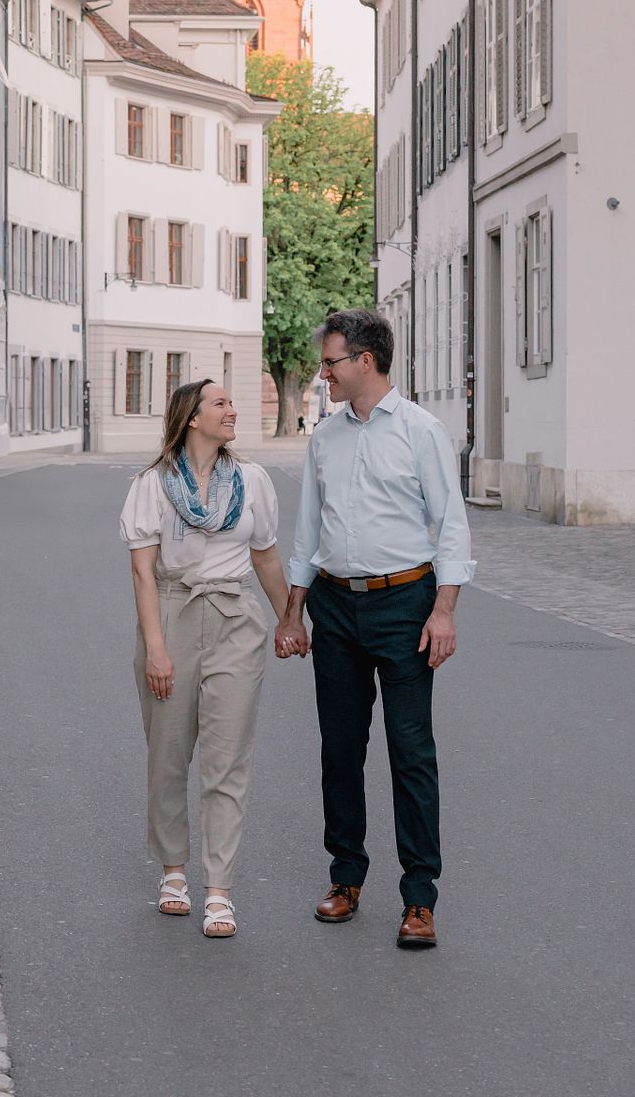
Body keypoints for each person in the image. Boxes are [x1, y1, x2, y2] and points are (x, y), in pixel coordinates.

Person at [275, 308, 476, 950]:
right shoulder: (325, 437)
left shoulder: (421, 431)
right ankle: (346, 877)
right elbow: (309, 529)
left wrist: (443, 609)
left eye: (332, 361)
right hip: (334, 605)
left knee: (410, 751)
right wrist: (292, 610)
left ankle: (420, 897)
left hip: (405, 605)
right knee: (340, 748)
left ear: (365, 360)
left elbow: (450, 527)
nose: (324, 373)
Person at [120, 378, 290, 939]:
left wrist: (290, 617)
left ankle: (219, 890)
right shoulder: (152, 485)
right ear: (192, 417)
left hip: (235, 618)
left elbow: (264, 556)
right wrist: (157, 649)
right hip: (170, 613)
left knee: (227, 759)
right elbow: (142, 571)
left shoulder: (252, 481)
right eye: (221, 403)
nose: (233, 411)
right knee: (168, 755)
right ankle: (174, 872)